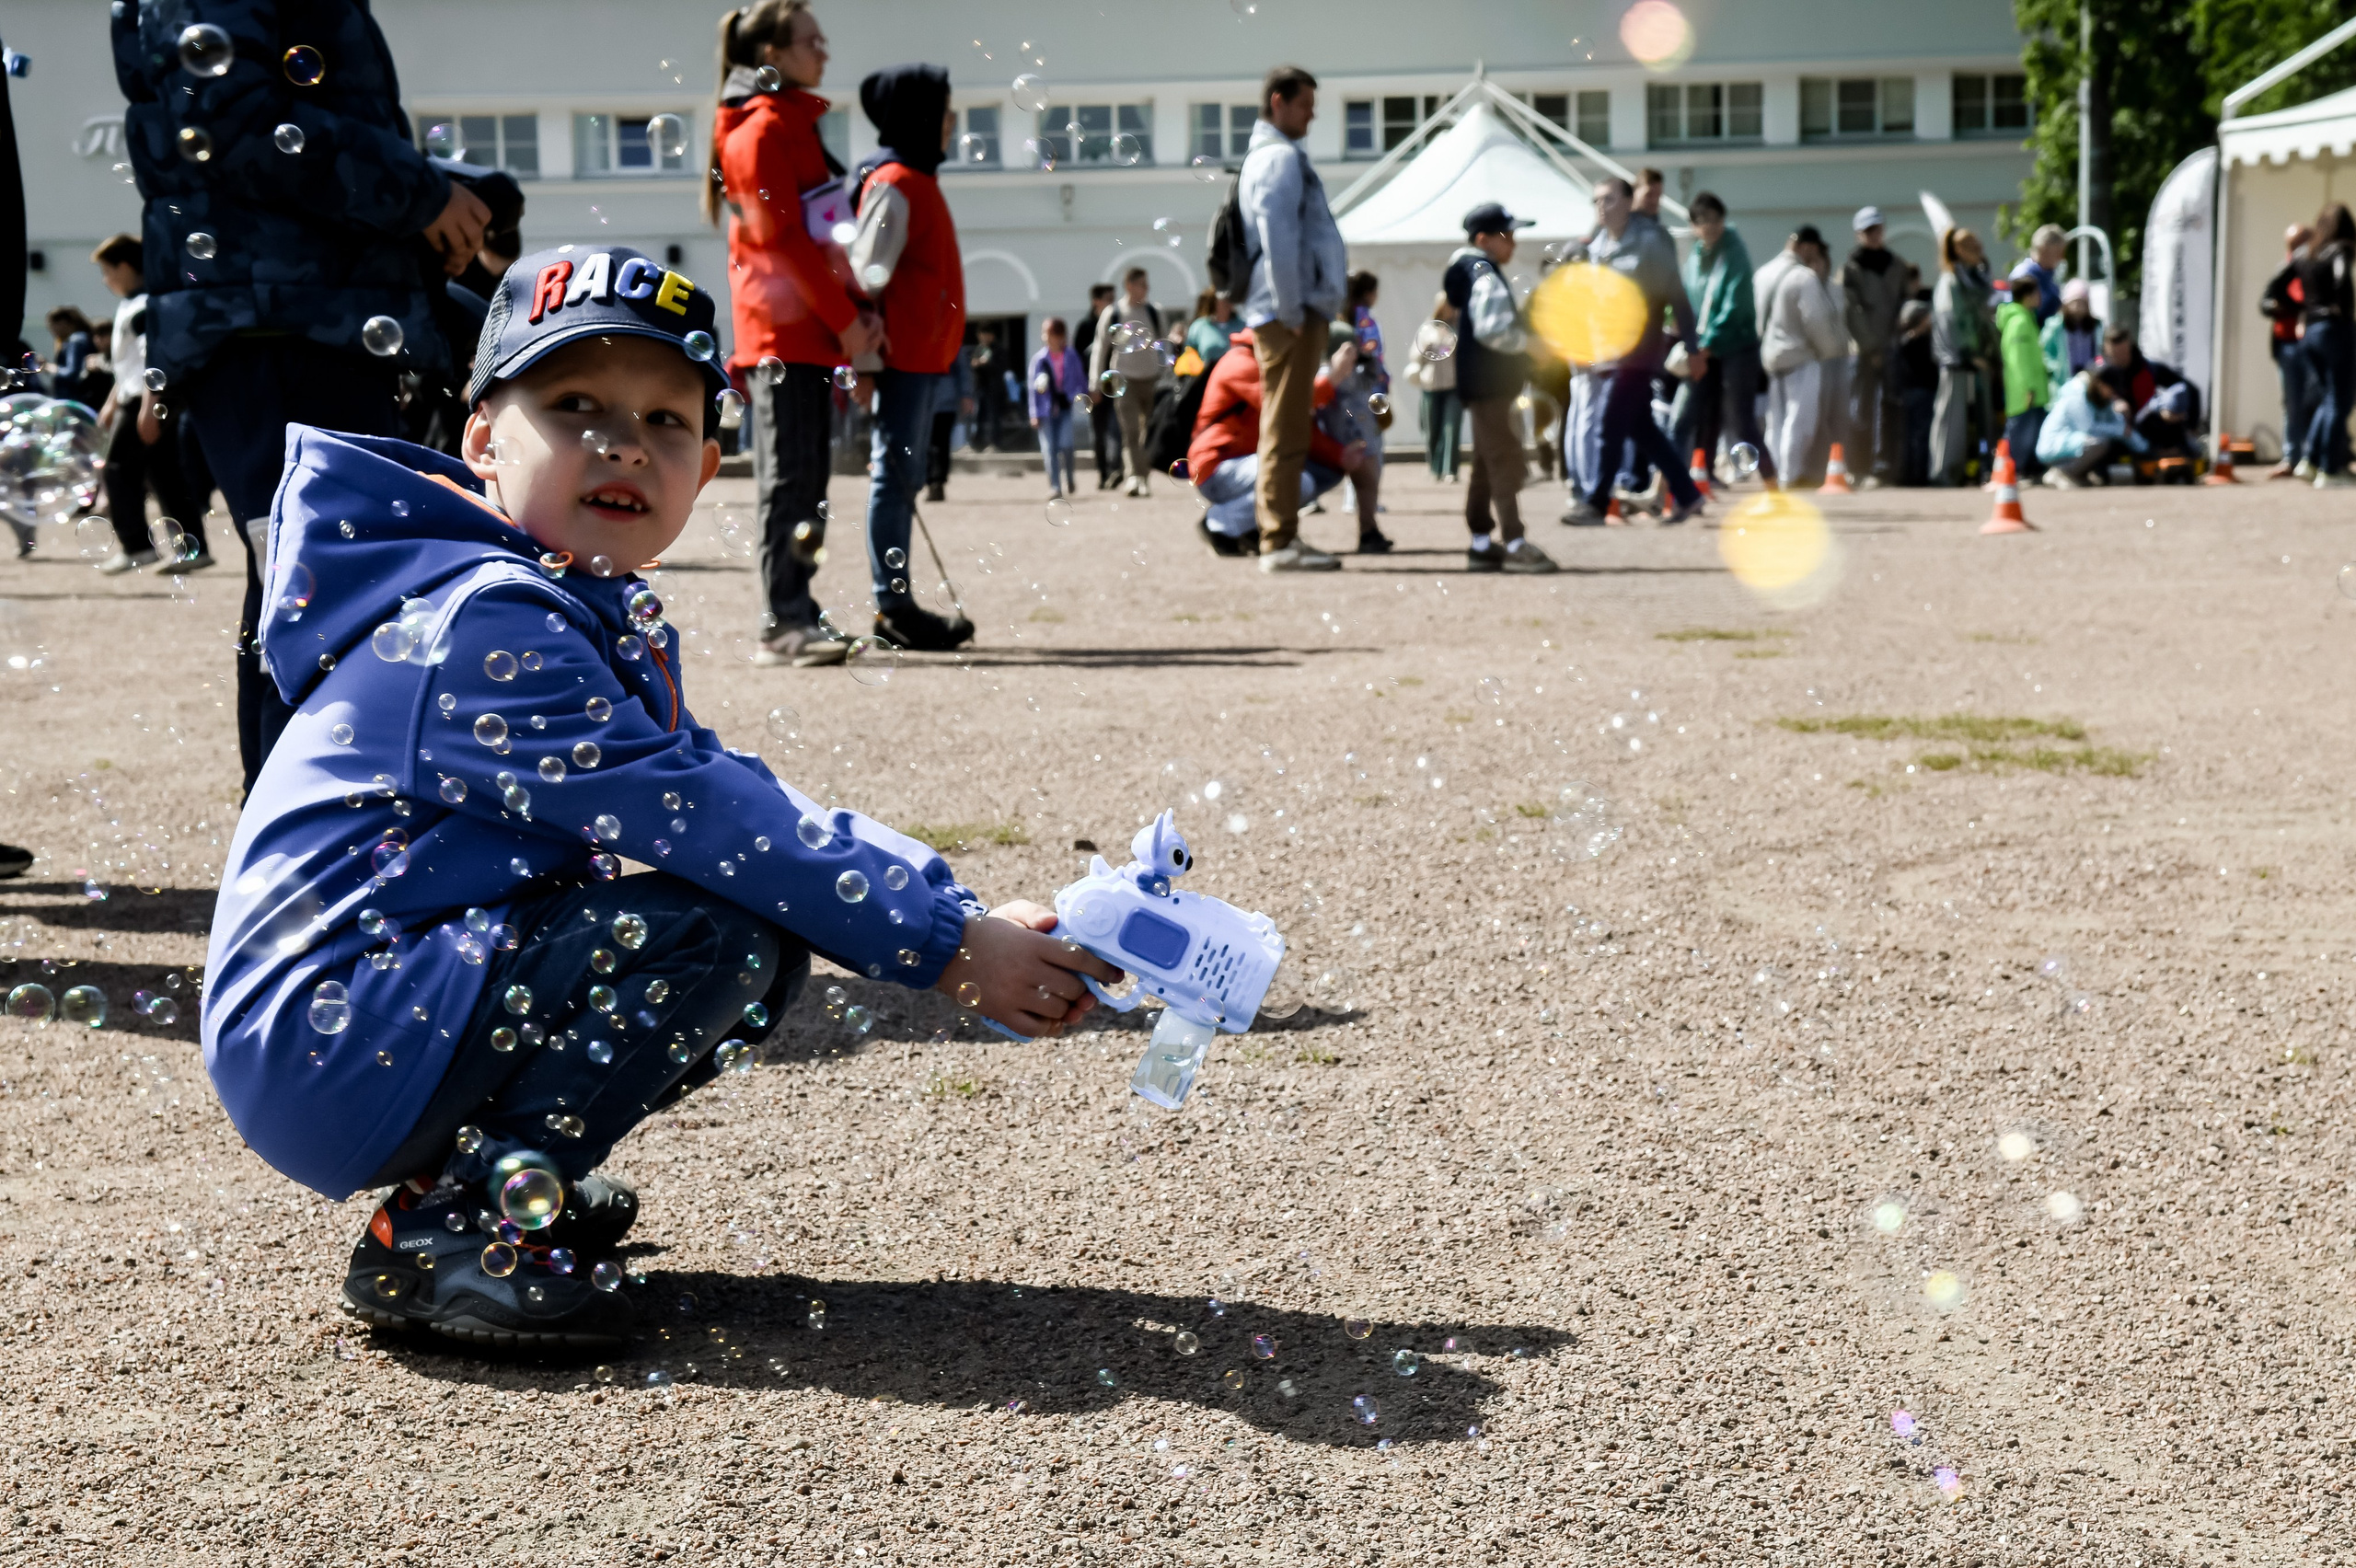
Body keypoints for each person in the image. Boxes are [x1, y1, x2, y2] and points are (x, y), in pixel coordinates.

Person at [198, 243, 1121, 1346]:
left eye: (664, 421)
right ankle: (455, 1226)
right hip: (336, 1040)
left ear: (705, 471)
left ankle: (504, 1182)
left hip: (364, 1021)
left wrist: (953, 909)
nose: (622, 441)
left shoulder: (565, 605)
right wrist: (942, 941)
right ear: (483, 443)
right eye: (575, 404)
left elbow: (726, 790)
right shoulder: (488, 623)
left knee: (748, 932)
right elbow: (710, 817)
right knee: (718, 935)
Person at [112, 0, 493, 794]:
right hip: (278, 323)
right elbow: (235, 121)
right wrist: (417, 195)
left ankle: (317, 855)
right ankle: (309, 869)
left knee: (320, 585)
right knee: (320, 587)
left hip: (300, 317)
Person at [710, 0, 878, 670]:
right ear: (773, 57)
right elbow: (784, 246)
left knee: (808, 478)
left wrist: (854, 312)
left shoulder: (787, 127)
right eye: (813, 40)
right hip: (782, 332)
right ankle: (781, 621)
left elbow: (822, 234)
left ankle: (798, 611)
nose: (826, 51)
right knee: (789, 479)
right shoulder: (759, 134)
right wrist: (848, 322)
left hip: (807, 329)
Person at [839, 64, 976, 648]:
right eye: (944, 108)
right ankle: (892, 606)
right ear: (920, 115)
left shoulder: (916, 179)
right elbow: (863, 283)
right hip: (899, 362)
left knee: (904, 478)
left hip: (921, 361)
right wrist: (864, 368)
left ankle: (895, 602)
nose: (952, 121)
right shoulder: (896, 181)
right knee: (893, 480)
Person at [1238, 63, 1349, 573]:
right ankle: (1279, 540)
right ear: (1278, 101)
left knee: (1285, 426)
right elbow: (1279, 238)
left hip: (1291, 310)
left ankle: (1282, 534)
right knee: (1285, 427)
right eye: (1306, 104)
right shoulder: (1280, 158)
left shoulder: (1273, 156)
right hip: (1291, 313)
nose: (1312, 115)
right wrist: (1292, 309)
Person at [1575, 178, 1705, 525]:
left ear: (1629, 202)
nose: (1602, 206)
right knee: (1642, 428)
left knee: (1608, 424)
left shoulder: (1649, 242)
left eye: (1610, 199)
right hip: (1608, 350)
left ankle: (1595, 503)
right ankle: (1689, 495)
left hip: (1638, 352)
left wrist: (1692, 348)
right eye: (1597, 200)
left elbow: (1677, 295)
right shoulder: (1597, 246)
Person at [87, 233, 214, 575]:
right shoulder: (132, 303)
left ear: (126, 266)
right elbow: (126, 364)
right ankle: (191, 548)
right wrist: (113, 400)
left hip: (150, 398)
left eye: (107, 270)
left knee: (117, 468)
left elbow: (151, 358)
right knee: (164, 473)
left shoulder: (145, 305)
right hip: (139, 396)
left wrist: (147, 406)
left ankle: (137, 546)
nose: (105, 279)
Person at [1443, 203, 1555, 571]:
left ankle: (1480, 543)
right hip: (1492, 385)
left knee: (1484, 464)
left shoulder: (1472, 272)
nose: (1514, 243)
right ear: (1483, 240)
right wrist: (1528, 344)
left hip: (1481, 385)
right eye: (1507, 235)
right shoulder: (1485, 274)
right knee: (1506, 461)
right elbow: (1493, 331)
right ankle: (1515, 541)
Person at [1186, 326, 1365, 557]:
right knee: (1295, 480)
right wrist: (1332, 379)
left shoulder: (1275, 362)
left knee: (1325, 471)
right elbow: (1286, 408)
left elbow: (1299, 428)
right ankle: (1218, 523)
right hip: (1218, 463)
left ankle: (1251, 528)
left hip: (1249, 461)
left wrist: (1338, 455)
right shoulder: (1240, 361)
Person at [1670, 191, 1768, 492]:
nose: (1709, 227)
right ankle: (1687, 485)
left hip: (1737, 346)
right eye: (1702, 221)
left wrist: (1706, 343)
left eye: (1715, 219)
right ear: (1694, 225)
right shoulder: (1696, 257)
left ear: (1723, 220)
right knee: (1690, 416)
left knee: (1741, 421)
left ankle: (1774, 487)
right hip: (1704, 348)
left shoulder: (1734, 251)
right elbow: (1687, 300)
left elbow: (1736, 305)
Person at [1760, 225, 1845, 486]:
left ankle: (1773, 476)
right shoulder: (1804, 277)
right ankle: (1790, 475)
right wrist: (1831, 350)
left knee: (1775, 421)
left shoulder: (1763, 274)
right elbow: (1816, 320)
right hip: (1801, 355)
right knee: (1800, 421)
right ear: (1806, 246)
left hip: (1771, 355)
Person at [1841, 206, 1906, 486]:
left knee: (1890, 408)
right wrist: (1871, 347)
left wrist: (1896, 339)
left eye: (1877, 229)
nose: (1874, 235)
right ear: (1859, 234)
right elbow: (1850, 310)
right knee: (1860, 411)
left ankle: (1887, 467)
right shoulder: (1850, 268)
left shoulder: (1897, 265)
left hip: (1892, 348)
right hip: (1863, 352)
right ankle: (1858, 467)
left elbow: (1903, 305)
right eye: (1868, 231)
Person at [1089, 267, 1167, 496]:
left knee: (1149, 432)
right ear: (1129, 286)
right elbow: (1100, 349)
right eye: (1143, 284)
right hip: (1124, 380)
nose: (1147, 288)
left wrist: (1168, 376)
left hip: (1153, 380)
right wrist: (1095, 382)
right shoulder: (1113, 313)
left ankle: (1142, 475)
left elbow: (1164, 344)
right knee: (1131, 431)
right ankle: (1134, 477)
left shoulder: (1155, 311)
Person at [2295, 203, 2356, 488]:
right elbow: (2342, 279)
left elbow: (2276, 287)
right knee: (2340, 400)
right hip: (2334, 330)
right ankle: (2330, 470)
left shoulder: (2307, 253)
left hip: (2311, 332)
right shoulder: (2340, 249)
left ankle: (2311, 461)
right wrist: (2344, 311)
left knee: (2327, 398)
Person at [1930, 227, 1994, 485]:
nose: (1979, 249)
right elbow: (1952, 322)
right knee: (1950, 420)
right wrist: (1968, 354)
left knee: (1984, 420)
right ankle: (1943, 473)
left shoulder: (1975, 279)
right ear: (1958, 250)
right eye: (1972, 246)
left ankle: (1986, 468)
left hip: (1980, 358)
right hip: (1956, 360)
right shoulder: (1950, 282)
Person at [1334, 271, 1392, 553]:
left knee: (1353, 452)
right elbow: (1374, 360)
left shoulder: (1334, 317)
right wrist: (1383, 383)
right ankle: (1368, 527)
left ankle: (1351, 503)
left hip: (1336, 396)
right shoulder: (1365, 320)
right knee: (1370, 456)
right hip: (1362, 397)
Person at [2259, 227, 2313, 478]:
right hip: (2286, 343)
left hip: (2310, 343)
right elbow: (2266, 301)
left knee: (2315, 401)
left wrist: (2291, 307)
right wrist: (2277, 308)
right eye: (2292, 246)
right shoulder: (2285, 267)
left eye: (2299, 245)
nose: (2295, 251)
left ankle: (2314, 456)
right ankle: (2291, 458)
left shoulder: (2313, 268)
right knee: (2291, 402)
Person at [2036, 365, 2143, 487]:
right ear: (2100, 383)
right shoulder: (2076, 395)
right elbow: (2088, 428)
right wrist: (2120, 430)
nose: (2113, 394)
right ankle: (2060, 473)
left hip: (2071, 445)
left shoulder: (2101, 398)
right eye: (2111, 389)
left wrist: (2145, 449)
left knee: (2106, 442)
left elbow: (2119, 426)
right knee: (2099, 443)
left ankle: (2075, 475)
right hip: (2052, 447)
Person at [1996, 275, 2050, 480]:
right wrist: (2028, 387)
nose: (2040, 297)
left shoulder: (2027, 320)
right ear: (2028, 296)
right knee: (2020, 434)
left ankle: (2024, 470)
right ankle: (2011, 473)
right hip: (2026, 392)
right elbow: (2018, 360)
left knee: (2031, 433)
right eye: (2036, 293)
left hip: (2033, 391)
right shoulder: (2019, 323)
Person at [1029, 316, 1084, 498]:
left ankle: (1069, 477)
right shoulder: (1039, 360)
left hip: (1065, 406)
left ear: (1059, 335)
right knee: (1049, 449)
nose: (1045, 336)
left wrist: (1084, 393)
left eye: (1049, 333)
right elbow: (1033, 389)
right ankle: (1055, 486)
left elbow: (1079, 378)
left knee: (1067, 445)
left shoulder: (1071, 355)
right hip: (1045, 409)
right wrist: (1034, 413)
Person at [1073, 282, 1120, 487]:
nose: (1113, 303)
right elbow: (1077, 361)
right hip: (1094, 389)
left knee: (1117, 430)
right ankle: (1102, 474)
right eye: (1109, 299)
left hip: (1117, 385)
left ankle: (1115, 471)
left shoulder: (1117, 322)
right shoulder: (1085, 326)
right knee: (1098, 434)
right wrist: (1090, 387)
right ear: (1096, 301)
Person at [1412, 294, 1462, 481]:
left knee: (1452, 427)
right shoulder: (1428, 327)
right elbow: (1415, 355)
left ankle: (1451, 470)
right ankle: (1435, 468)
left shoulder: (1459, 327)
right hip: (1430, 386)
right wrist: (1429, 346)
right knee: (1432, 429)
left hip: (1453, 385)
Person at [922, 341, 974, 502]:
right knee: (926, 445)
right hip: (922, 402)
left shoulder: (951, 341)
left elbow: (963, 371)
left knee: (940, 444)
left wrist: (966, 395)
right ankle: (929, 481)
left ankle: (937, 482)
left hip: (945, 402)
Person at [1894, 299, 1937, 486]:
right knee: (1921, 435)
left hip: (1907, 393)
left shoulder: (1901, 341)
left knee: (1908, 436)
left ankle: (1907, 475)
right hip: (1923, 392)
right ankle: (1918, 476)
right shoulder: (1924, 341)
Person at [2040, 278, 2103, 389]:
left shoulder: (2096, 326)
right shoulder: (2055, 326)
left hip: (2090, 381)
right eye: (2074, 303)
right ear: (2066, 304)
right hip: (2063, 383)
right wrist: (2056, 368)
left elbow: (2101, 350)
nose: (2078, 307)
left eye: (2082, 303)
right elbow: (2043, 351)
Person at [2010, 224, 2068, 327]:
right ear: (2043, 249)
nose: (2062, 258)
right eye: (2058, 252)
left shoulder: (2050, 277)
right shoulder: (2024, 275)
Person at [968, 324, 1008, 451]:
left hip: (994, 389)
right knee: (978, 416)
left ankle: (995, 444)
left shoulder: (998, 350)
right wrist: (977, 364)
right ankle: (977, 444)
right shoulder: (979, 349)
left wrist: (987, 363)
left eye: (986, 334)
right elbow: (973, 365)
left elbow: (1001, 368)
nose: (984, 337)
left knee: (994, 417)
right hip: (980, 387)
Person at [1185, 289, 1243, 369]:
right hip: (1206, 376)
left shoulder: (1243, 325)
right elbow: (1189, 353)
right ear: (1214, 301)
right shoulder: (1199, 326)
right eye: (1224, 299)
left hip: (1236, 373)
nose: (1228, 302)